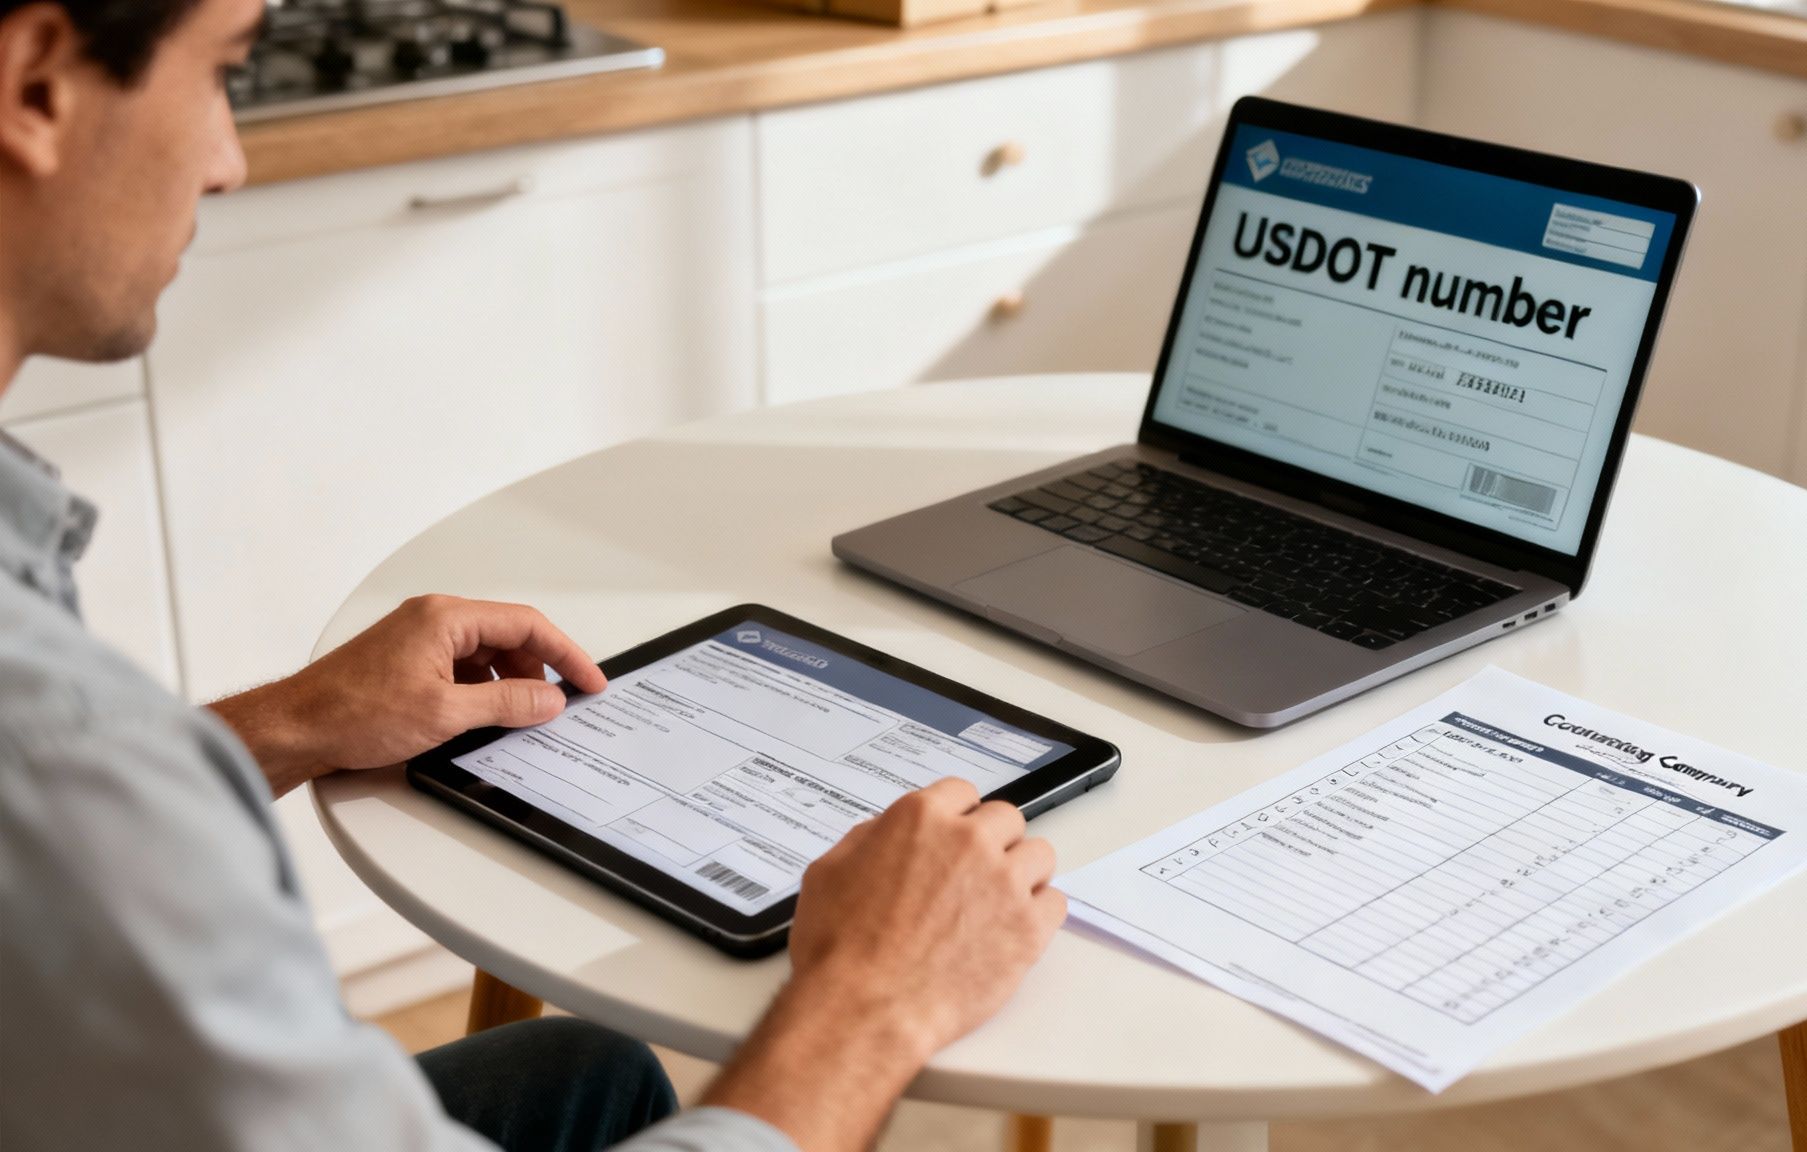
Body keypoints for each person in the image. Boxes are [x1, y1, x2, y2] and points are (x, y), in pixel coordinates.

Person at [0, 0, 1068, 1147]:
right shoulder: (66, 753)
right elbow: (59, 794)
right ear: (38, 85)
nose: (230, 161)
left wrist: (296, 721)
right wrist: (872, 999)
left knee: (586, 1073)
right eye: (220, 72)